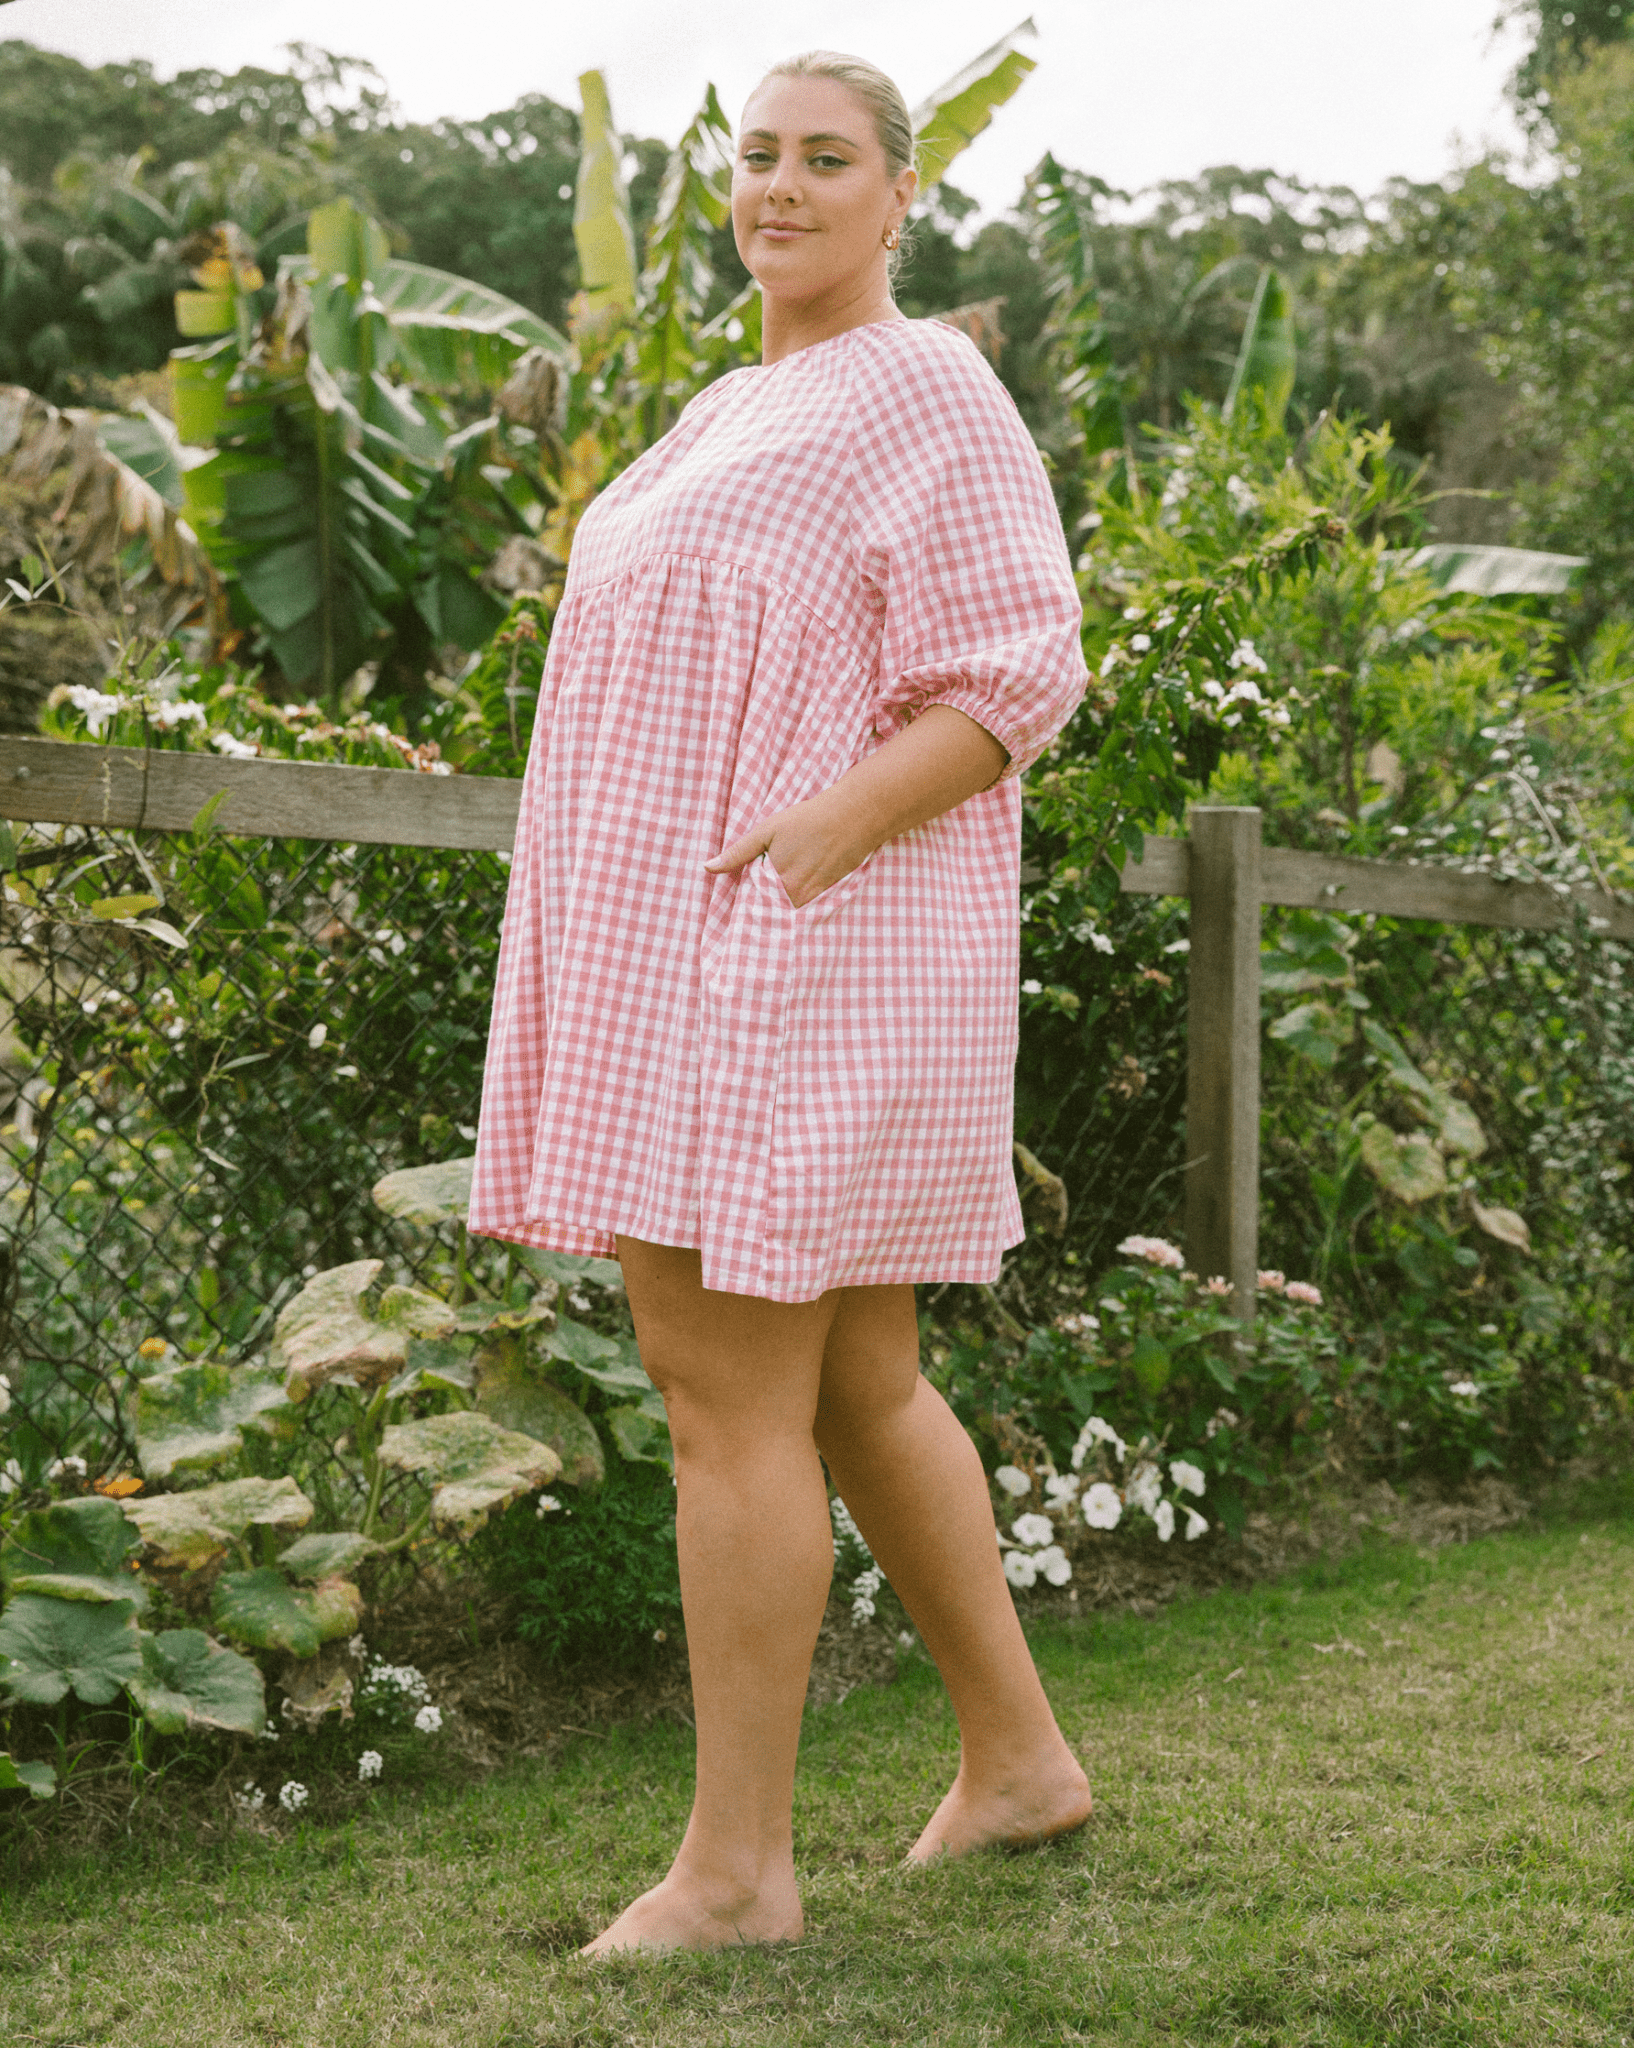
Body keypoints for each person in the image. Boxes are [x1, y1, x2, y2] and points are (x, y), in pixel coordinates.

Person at [469, 49, 1093, 1955]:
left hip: (791, 947)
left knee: (715, 1388)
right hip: (684, 943)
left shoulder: (925, 384)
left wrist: (824, 826)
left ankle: (736, 1873)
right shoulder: (729, 405)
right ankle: (1018, 1766)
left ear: (902, 194)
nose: (782, 187)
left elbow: (1018, 668)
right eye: (756, 155)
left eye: (827, 158)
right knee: (856, 1381)